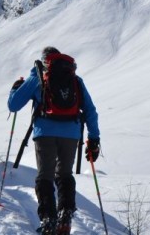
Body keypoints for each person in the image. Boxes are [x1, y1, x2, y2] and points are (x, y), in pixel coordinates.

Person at [8, 46, 100, 235]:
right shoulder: (75, 80)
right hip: (71, 133)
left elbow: (14, 105)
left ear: (44, 61)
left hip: (45, 133)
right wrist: (94, 138)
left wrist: (15, 88)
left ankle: (48, 220)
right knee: (65, 174)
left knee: (45, 176)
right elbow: (90, 110)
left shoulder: (37, 78)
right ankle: (65, 213)